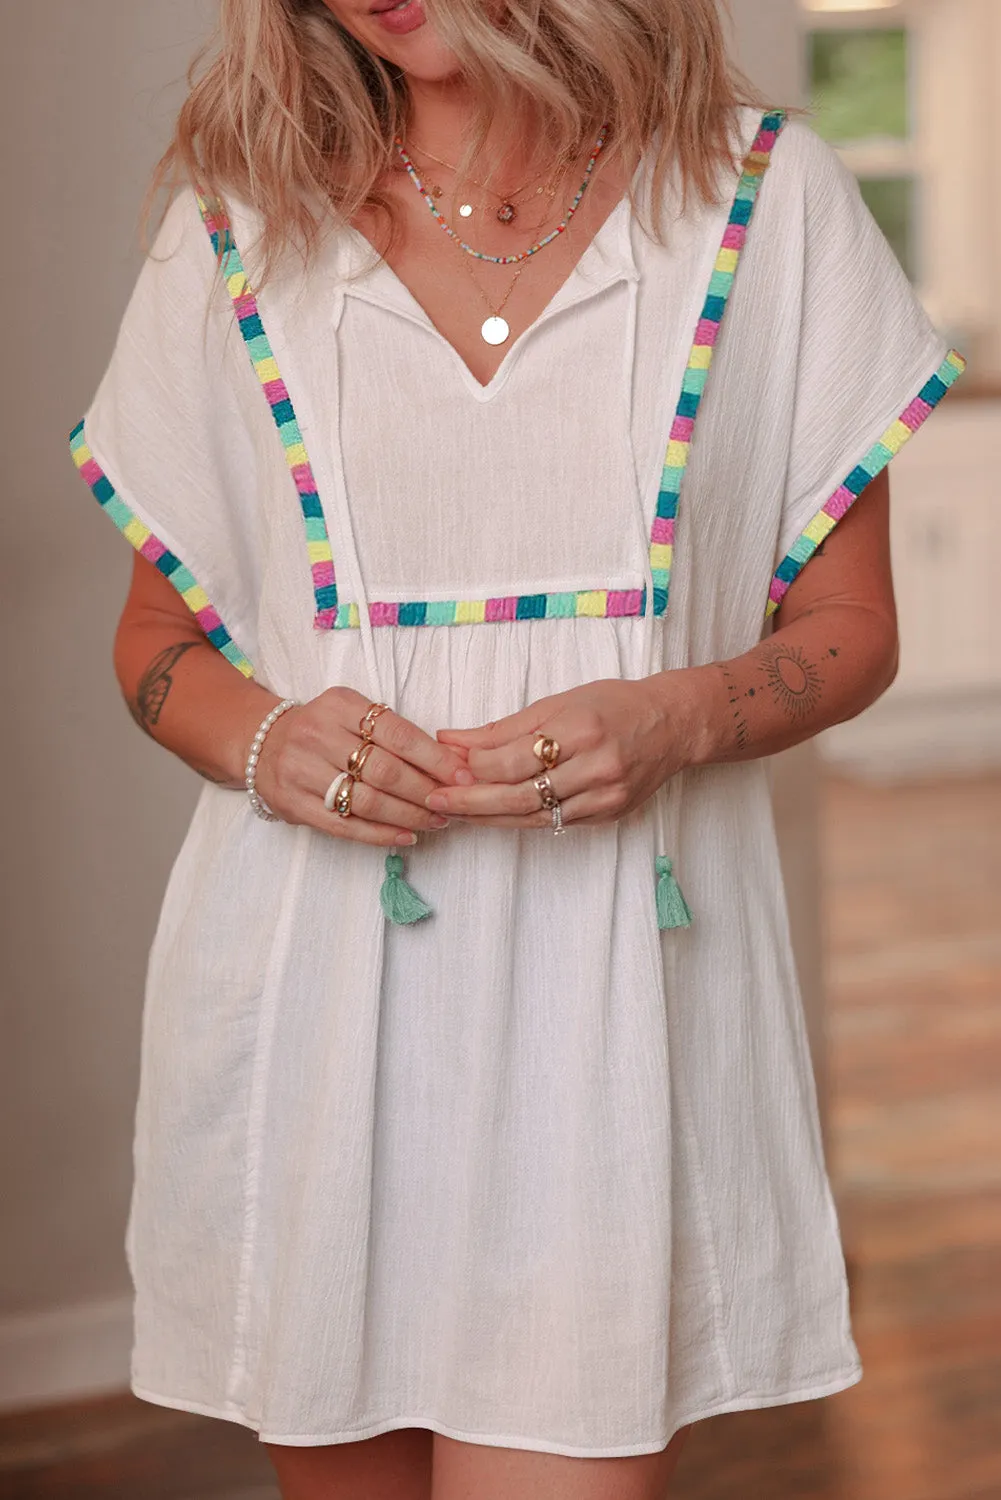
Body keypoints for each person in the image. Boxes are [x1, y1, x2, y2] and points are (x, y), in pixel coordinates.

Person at [68, 0, 965, 1495]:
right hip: (315, 1024)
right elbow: (156, 650)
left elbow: (854, 627)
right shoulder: (239, 227)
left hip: (610, 1020)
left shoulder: (757, 196)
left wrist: (674, 714)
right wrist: (271, 738)